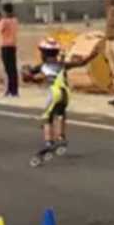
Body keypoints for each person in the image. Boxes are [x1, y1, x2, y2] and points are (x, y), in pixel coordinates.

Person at [21, 37, 99, 166]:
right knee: (61, 113)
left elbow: (31, 78)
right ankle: (61, 137)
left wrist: (27, 74)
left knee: (47, 118)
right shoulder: (62, 64)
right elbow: (82, 63)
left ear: (43, 54)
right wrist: (93, 54)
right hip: (66, 93)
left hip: (54, 92)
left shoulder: (43, 66)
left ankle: (48, 142)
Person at [0, 3, 20, 97]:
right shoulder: (15, 20)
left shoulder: (4, 21)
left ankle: (9, 90)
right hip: (13, 46)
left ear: (4, 11)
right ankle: (14, 90)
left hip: (5, 46)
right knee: (13, 69)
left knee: (7, 69)